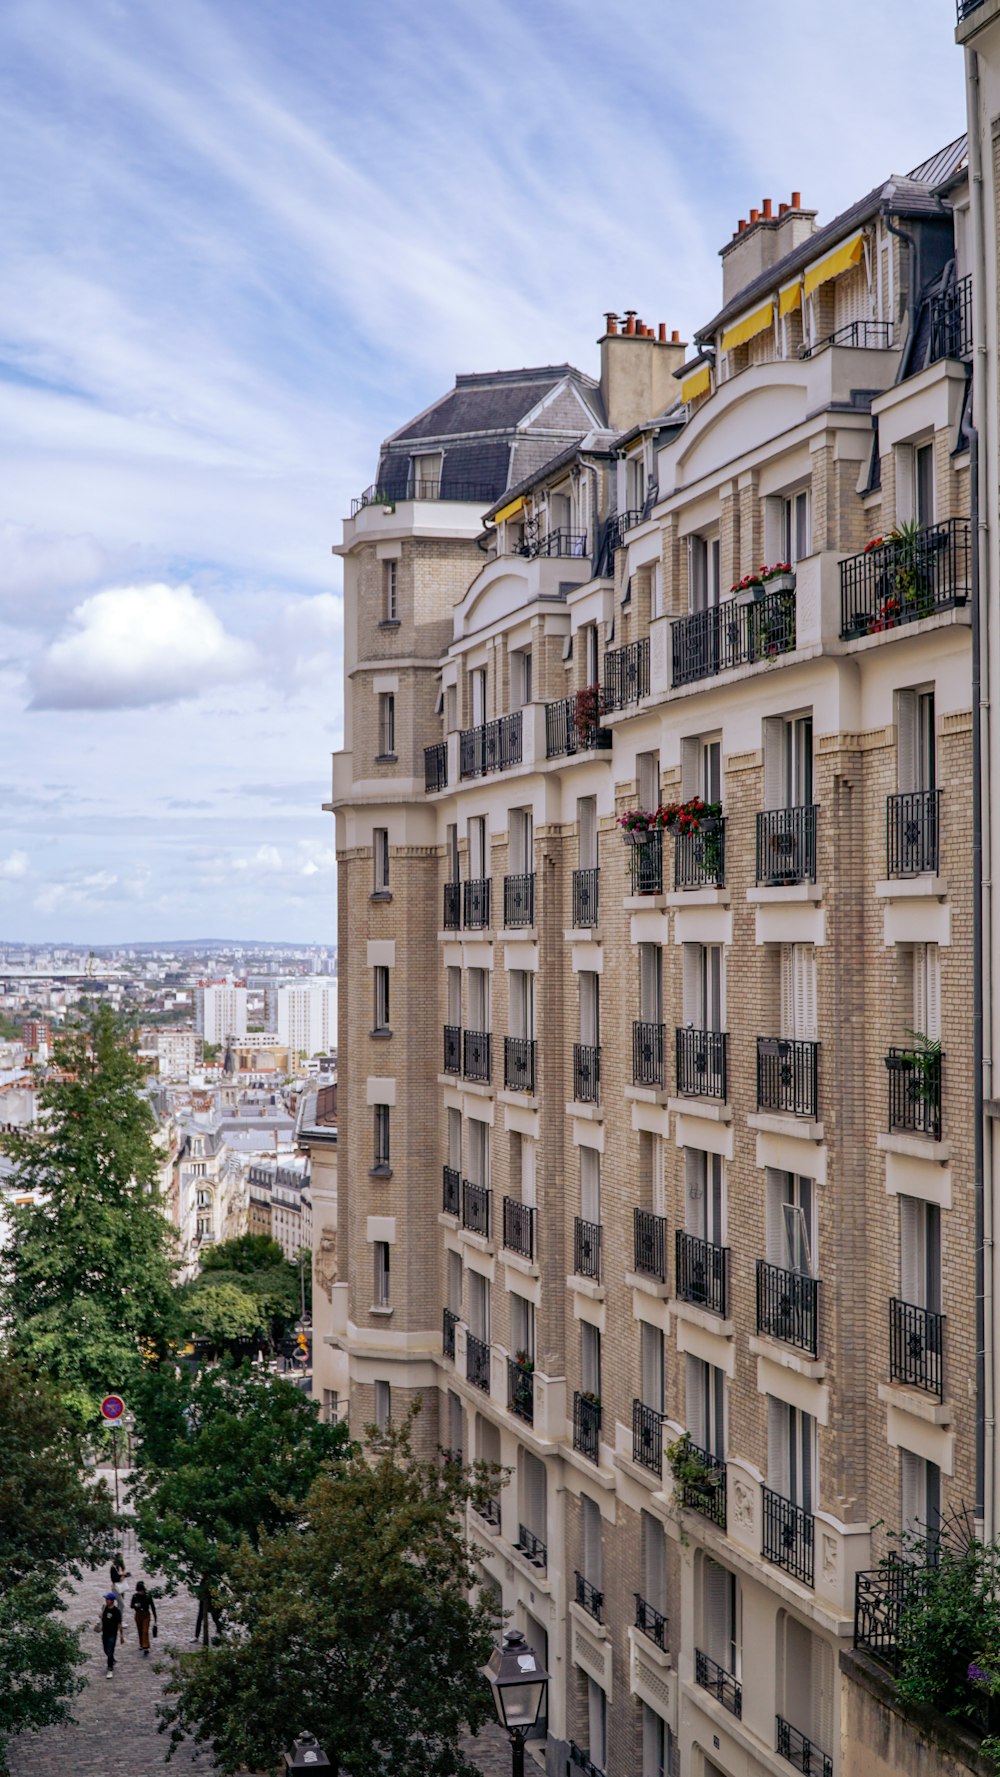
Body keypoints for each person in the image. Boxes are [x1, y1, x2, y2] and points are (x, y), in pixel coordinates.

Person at [129, 1579, 157, 1655]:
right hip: (138, 1615)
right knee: (140, 1630)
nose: (140, 1592)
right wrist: (135, 1605)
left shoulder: (148, 1596)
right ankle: (141, 1644)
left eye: (141, 1591)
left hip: (146, 1615)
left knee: (145, 1631)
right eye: (139, 1591)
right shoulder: (135, 1596)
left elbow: (153, 1607)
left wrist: (155, 1618)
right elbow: (131, 1605)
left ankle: (146, 1646)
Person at [193, 1572, 221, 1643]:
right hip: (203, 1602)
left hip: (211, 1602)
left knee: (215, 1618)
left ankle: (220, 1633)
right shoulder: (203, 1581)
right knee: (199, 1618)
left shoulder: (212, 1581)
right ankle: (196, 1636)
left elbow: (214, 1592)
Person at [99, 1593, 123, 1678]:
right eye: (106, 1599)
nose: (106, 1600)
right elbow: (103, 1618)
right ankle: (112, 1659)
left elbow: (119, 1623)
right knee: (106, 1649)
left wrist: (121, 1636)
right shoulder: (105, 1608)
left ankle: (110, 1669)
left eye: (108, 1599)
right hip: (105, 1633)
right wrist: (101, 1616)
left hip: (112, 1634)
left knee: (110, 1650)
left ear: (112, 1601)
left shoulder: (116, 1611)